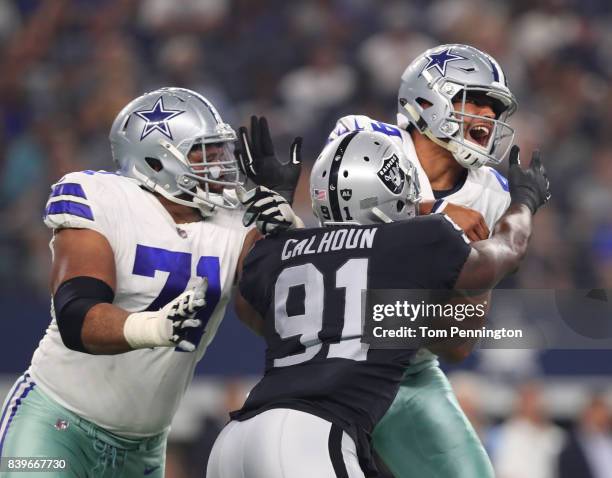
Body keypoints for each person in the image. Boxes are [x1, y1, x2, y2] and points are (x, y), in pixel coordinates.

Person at [207, 129, 550, 477]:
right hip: (311, 436)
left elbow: (251, 312)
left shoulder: (280, 249)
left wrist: (275, 211)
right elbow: (508, 251)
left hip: (234, 442)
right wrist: (524, 200)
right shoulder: (414, 240)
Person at [0, 87, 298, 477]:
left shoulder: (236, 226)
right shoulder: (102, 197)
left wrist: (284, 236)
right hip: (56, 424)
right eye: (203, 153)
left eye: (221, 151)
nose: (221, 164)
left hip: (142, 449)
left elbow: (270, 319)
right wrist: (154, 326)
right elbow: (77, 315)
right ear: (155, 161)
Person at [327, 43, 518, 477]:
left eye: (495, 107)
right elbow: (344, 234)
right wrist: (434, 216)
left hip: (408, 368)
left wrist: (477, 278)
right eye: (477, 100)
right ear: (429, 99)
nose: (488, 116)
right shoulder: (364, 138)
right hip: (330, 360)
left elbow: (457, 343)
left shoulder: (493, 193)